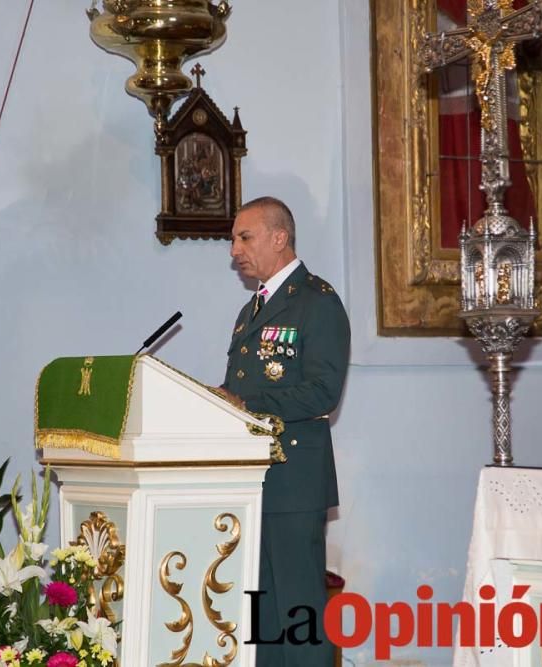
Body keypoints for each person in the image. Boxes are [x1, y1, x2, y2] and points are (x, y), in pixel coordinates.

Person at [219, 196, 350, 666]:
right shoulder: (249, 312)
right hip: (254, 480)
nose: (234, 249)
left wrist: (246, 404)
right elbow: (240, 389)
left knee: (297, 612)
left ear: (279, 238)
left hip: (294, 481)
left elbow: (323, 392)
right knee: (263, 613)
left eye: (244, 237)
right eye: (234, 238)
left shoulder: (317, 302)